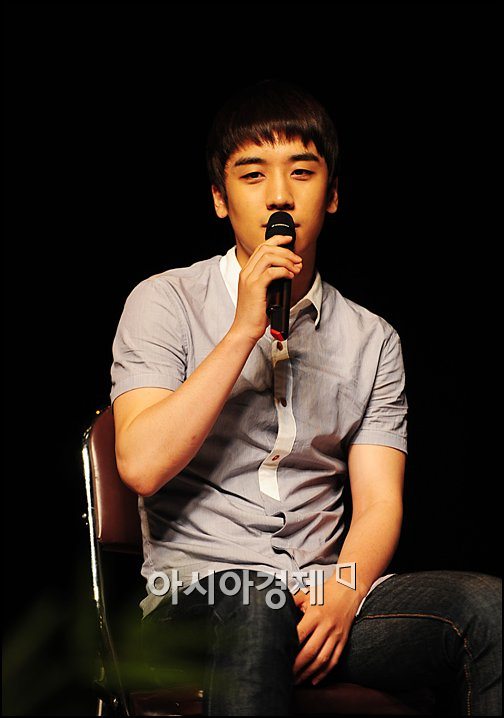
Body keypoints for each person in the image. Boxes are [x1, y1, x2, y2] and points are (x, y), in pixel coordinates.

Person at [110, 79, 501, 716]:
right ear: (220, 199)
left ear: (333, 194)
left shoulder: (373, 340)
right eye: (252, 174)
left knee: (484, 608)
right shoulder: (164, 301)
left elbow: (379, 502)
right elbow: (141, 465)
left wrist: (344, 592)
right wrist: (243, 330)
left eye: (301, 171)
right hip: (195, 600)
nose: (279, 195)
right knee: (255, 603)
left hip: (321, 598)